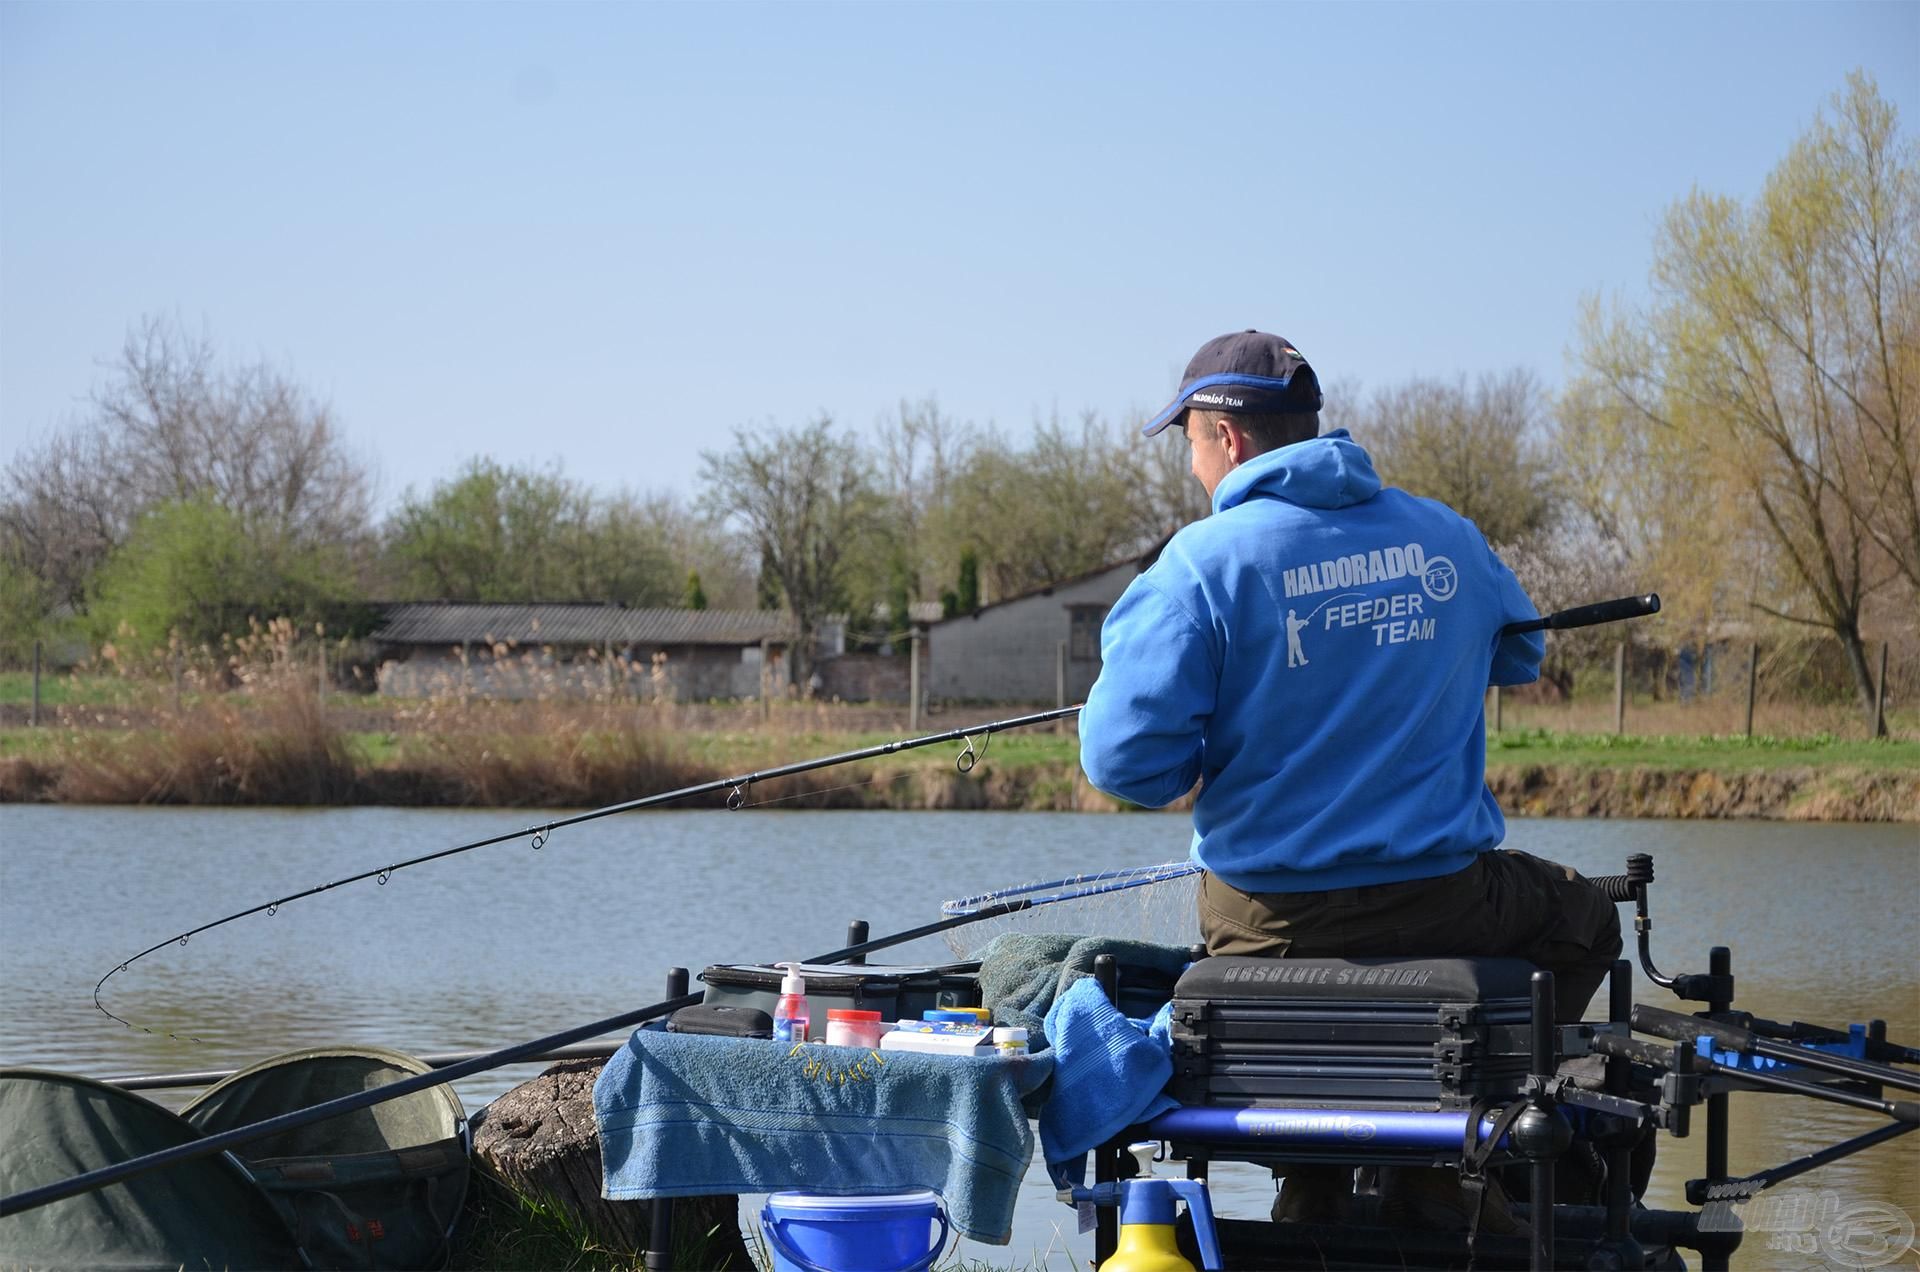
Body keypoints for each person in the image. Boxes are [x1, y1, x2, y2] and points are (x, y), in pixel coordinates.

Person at [1078, 330, 1623, 1226]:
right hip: (1443, 898)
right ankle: (1476, 1125)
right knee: (1585, 916)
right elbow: (1519, 650)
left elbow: (1122, 766)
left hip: (1263, 917)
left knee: (1260, 973)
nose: (1192, 469)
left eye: (1189, 446)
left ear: (1229, 439)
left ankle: (1316, 1182)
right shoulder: (1444, 536)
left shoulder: (1196, 569)